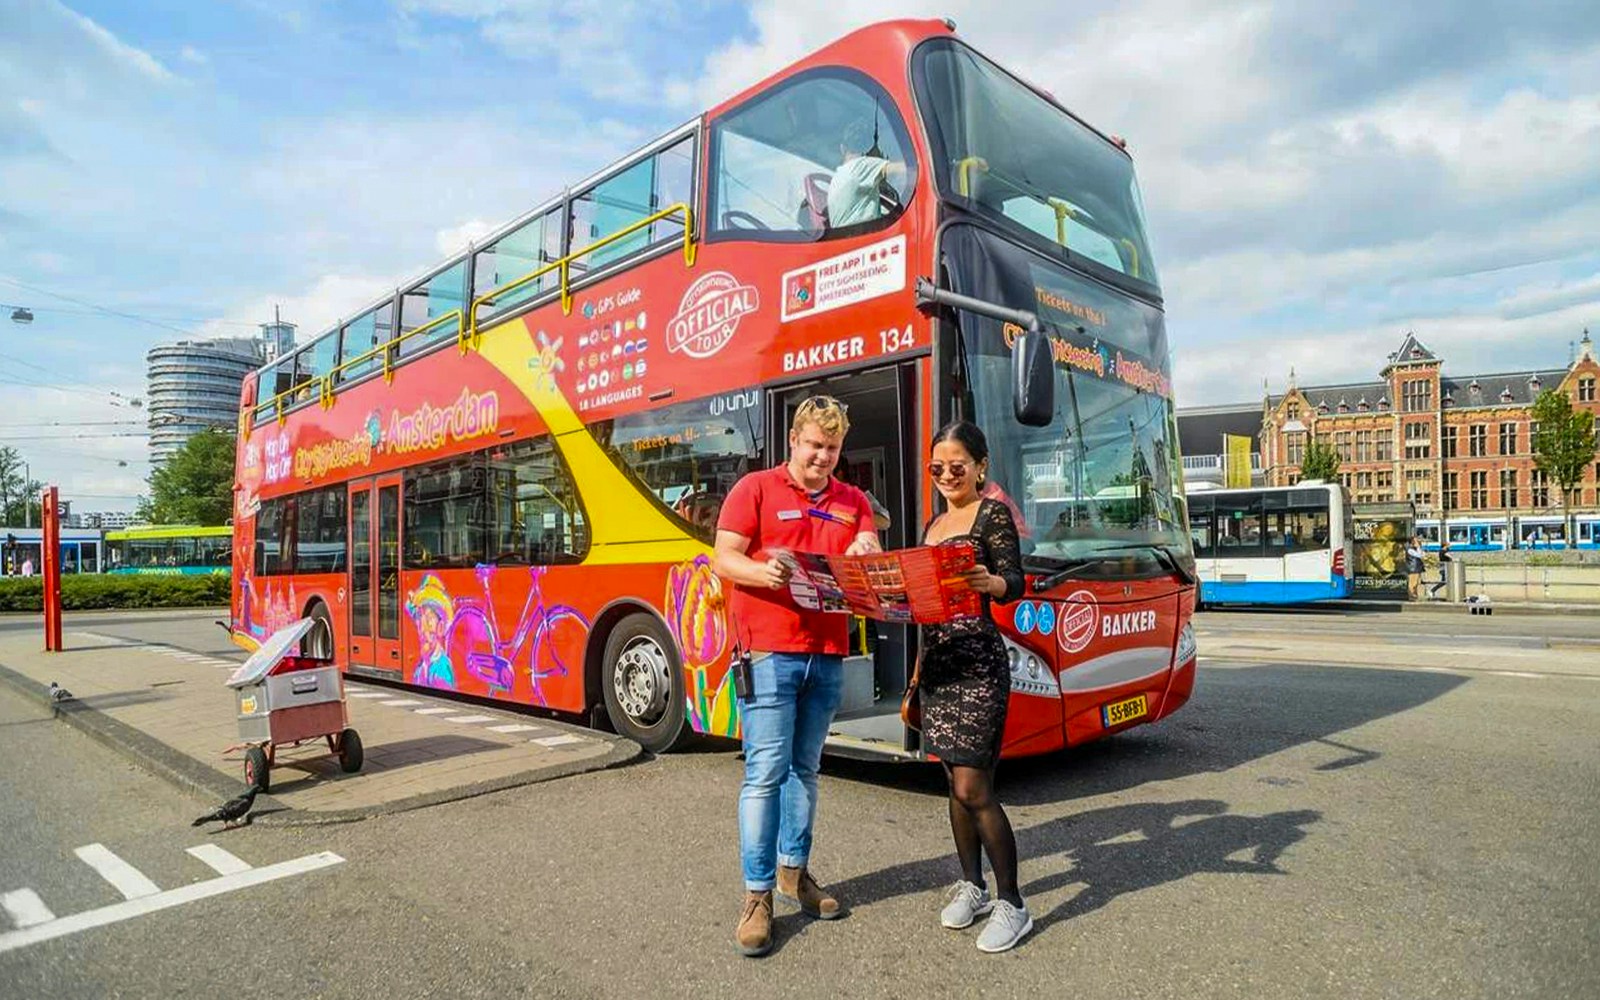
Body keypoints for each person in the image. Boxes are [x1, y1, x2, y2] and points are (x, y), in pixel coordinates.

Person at [713, 395, 881, 958]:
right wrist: (763, 572)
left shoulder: (852, 500)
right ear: (794, 440)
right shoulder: (755, 489)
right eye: (814, 445)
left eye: (832, 448)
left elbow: (871, 560)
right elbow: (723, 559)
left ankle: (793, 873)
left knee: (805, 772)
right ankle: (756, 894)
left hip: (827, 653)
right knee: (764, 773)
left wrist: (864, 548)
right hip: (767, 651)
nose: (823, 457)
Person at [918, 420, 1030, 953]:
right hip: (938, 664)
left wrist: (992, 582)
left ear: (980, 466)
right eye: (936, 467)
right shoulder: (932, 526)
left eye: (956, 465)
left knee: (974, 787)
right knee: (953, 787)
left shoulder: (992, 514)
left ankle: (1013, 903)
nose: (946, 474)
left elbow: (1016, 582)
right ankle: (974, 886)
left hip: (979, 663)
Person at [827, 120, 907, 229]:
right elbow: (903, 169)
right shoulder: (861, 166)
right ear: (869, 148)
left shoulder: (839, 175)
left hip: (845, 236)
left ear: (842, 148)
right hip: (861, 236)